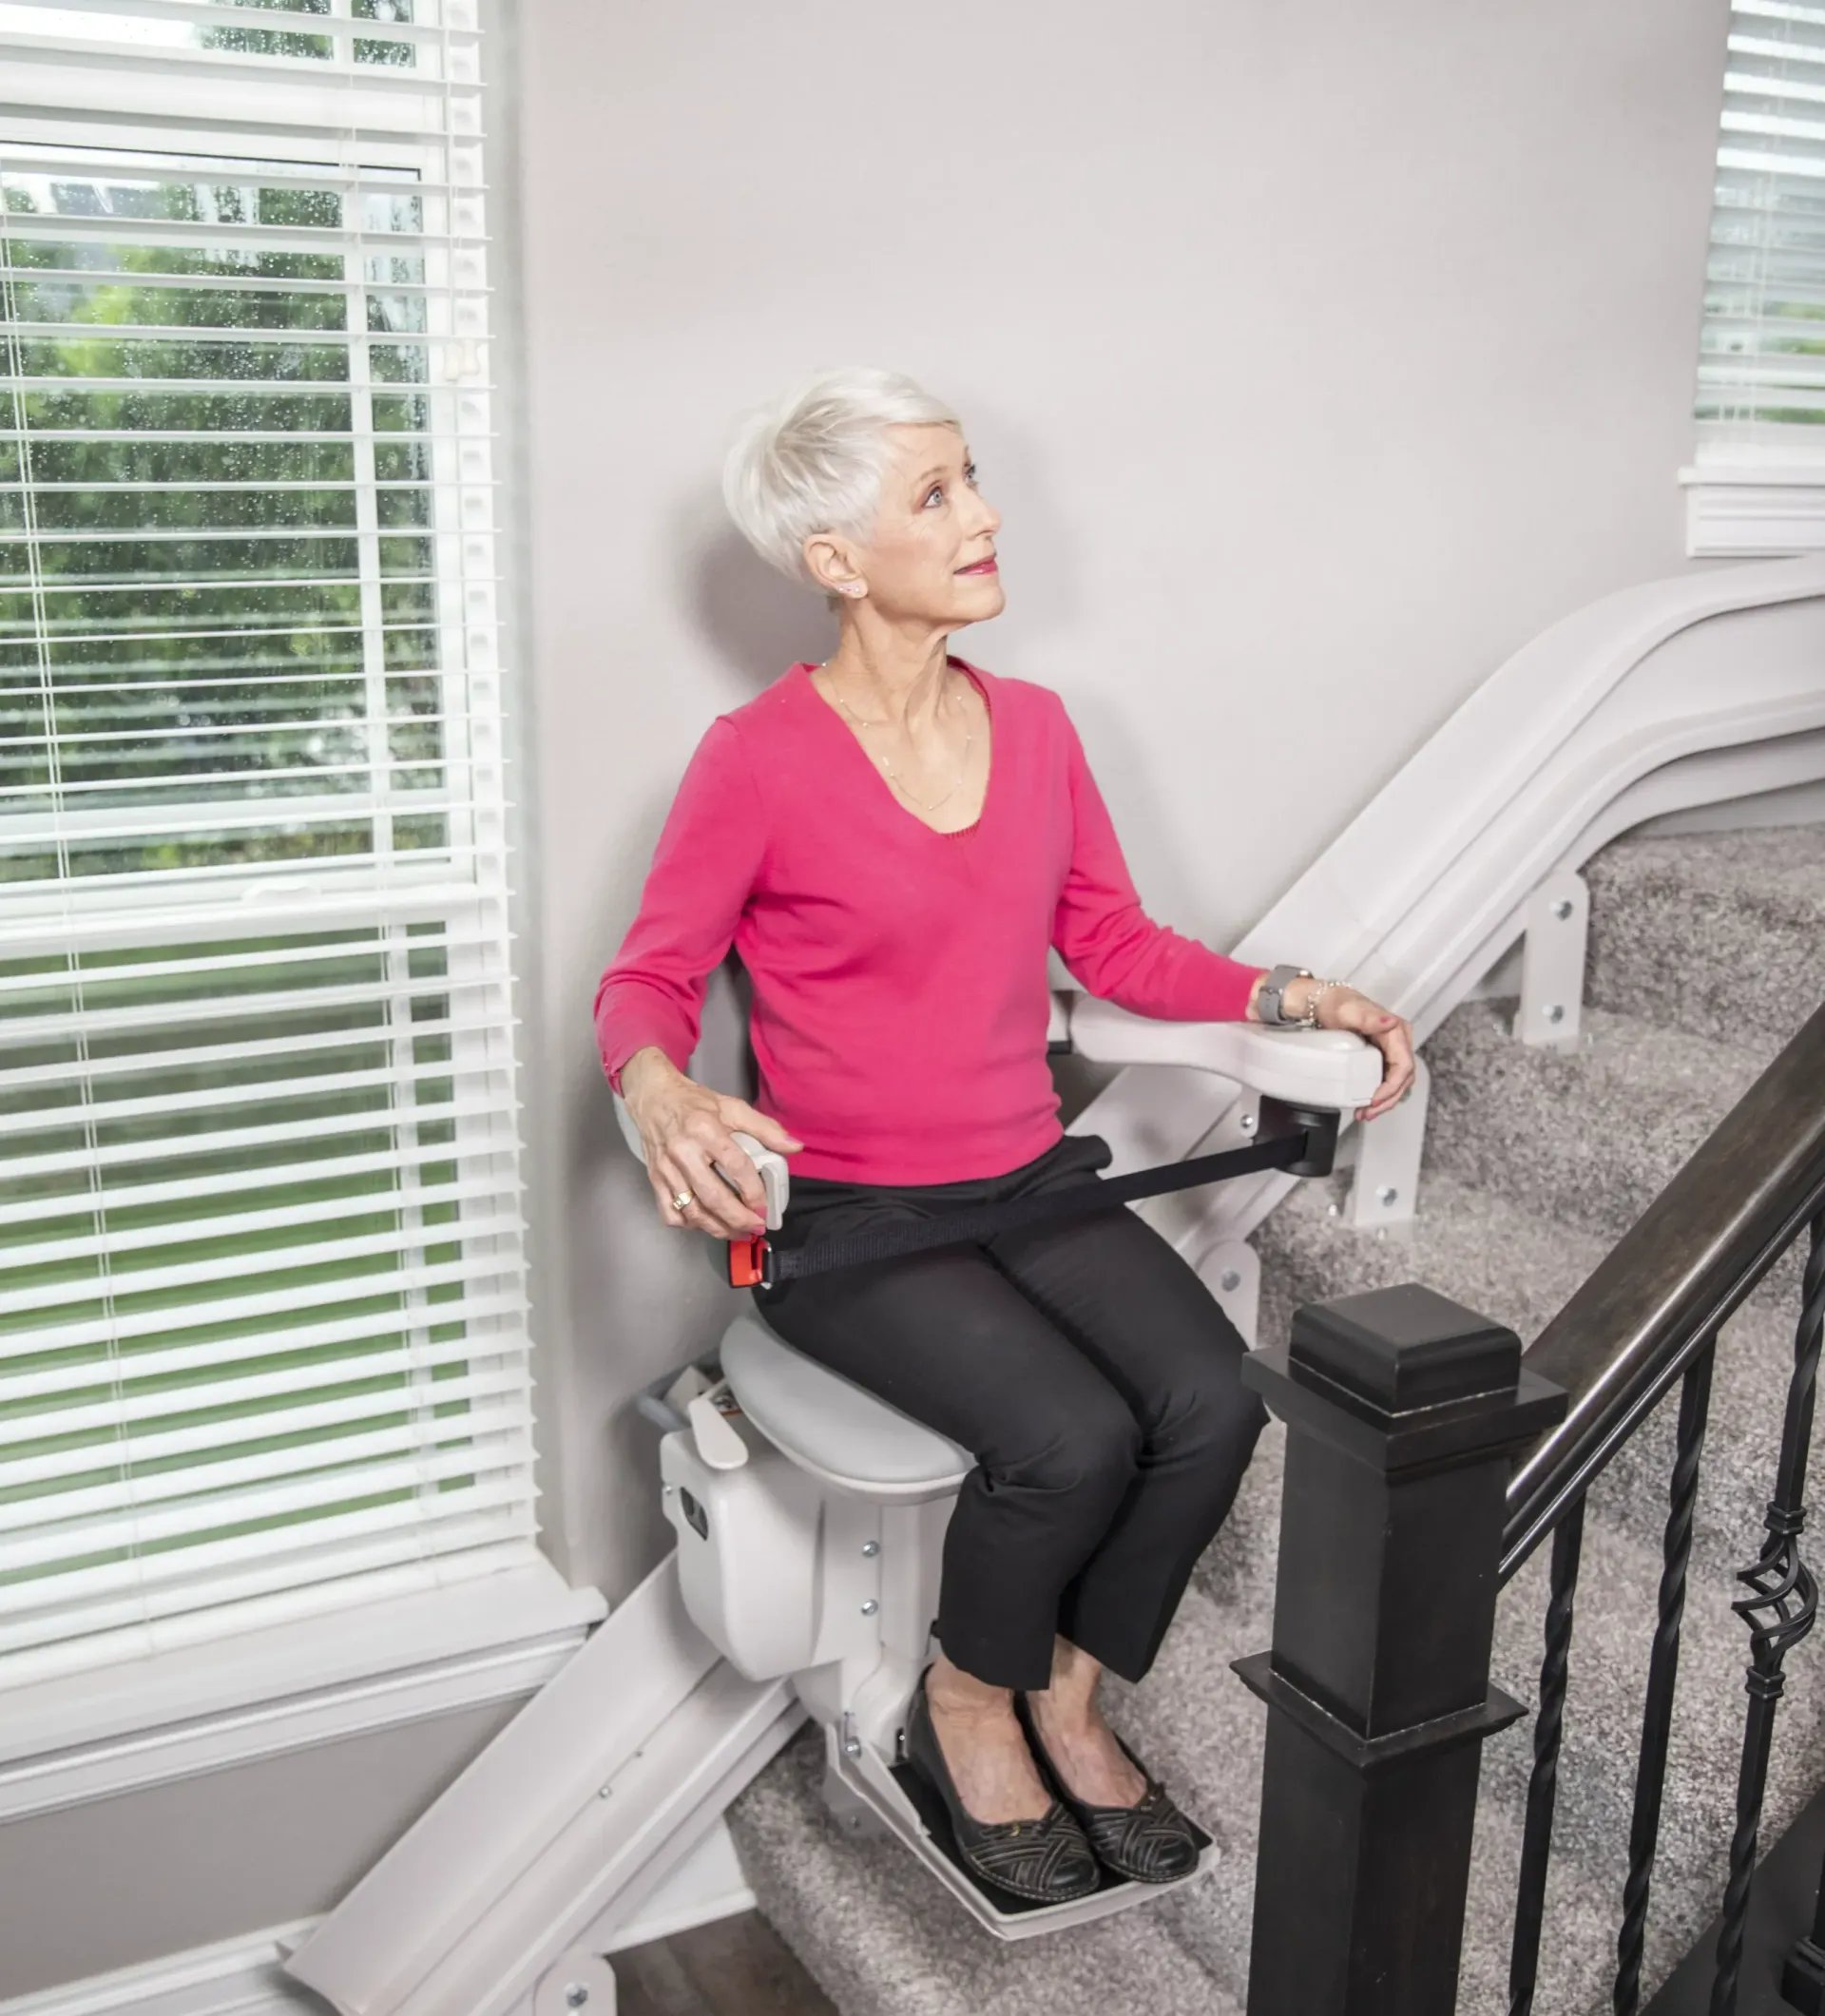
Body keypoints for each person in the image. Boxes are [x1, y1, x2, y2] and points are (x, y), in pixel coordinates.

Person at [596, 368, 1415, 1906]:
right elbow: (645, 979)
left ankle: (1068, 1695)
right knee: (1067, 1436)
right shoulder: (756, 760)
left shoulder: (1034, 729)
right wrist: (655, 1082)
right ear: (836, 561)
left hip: (1028, 1182)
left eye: (973, 479)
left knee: (1209, 1403)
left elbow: (1113, 943)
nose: (983, 516)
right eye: (937, 495)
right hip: (846, 1222)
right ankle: (963, 1707)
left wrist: (1291, 990)